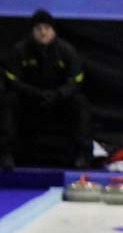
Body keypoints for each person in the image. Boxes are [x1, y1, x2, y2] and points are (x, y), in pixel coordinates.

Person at [1, 10, 90, 170]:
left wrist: (58, 94)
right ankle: (6, 154)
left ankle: (82, 154)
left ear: (53, 30)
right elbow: (12, 80)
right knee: (9, 100)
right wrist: (36, 94)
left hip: (59, 101)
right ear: (32, 31)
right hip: (28, 101)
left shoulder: (66, 51)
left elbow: (76, 80)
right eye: (38, 28)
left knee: (79, 102)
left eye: (46, 28)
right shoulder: (19, 50)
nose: (43, 32)